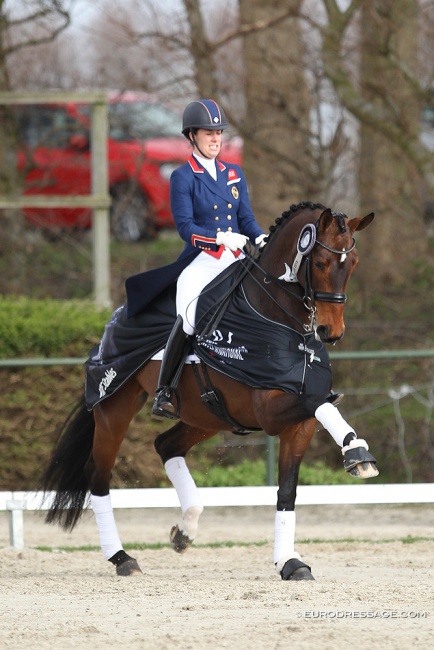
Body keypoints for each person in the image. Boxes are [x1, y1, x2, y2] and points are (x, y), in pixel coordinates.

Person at [152, 98, 267, 420]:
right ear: (192, 136)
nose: (215, 139)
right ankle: (164, 391)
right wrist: (218, 238)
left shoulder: (233, 173)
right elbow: (185, 227)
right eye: (208, 133)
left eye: (218, 133)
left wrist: (259, 236)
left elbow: (246, 217)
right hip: (202, 259)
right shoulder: (183, 177)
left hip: (237, 257)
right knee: (187, 315)